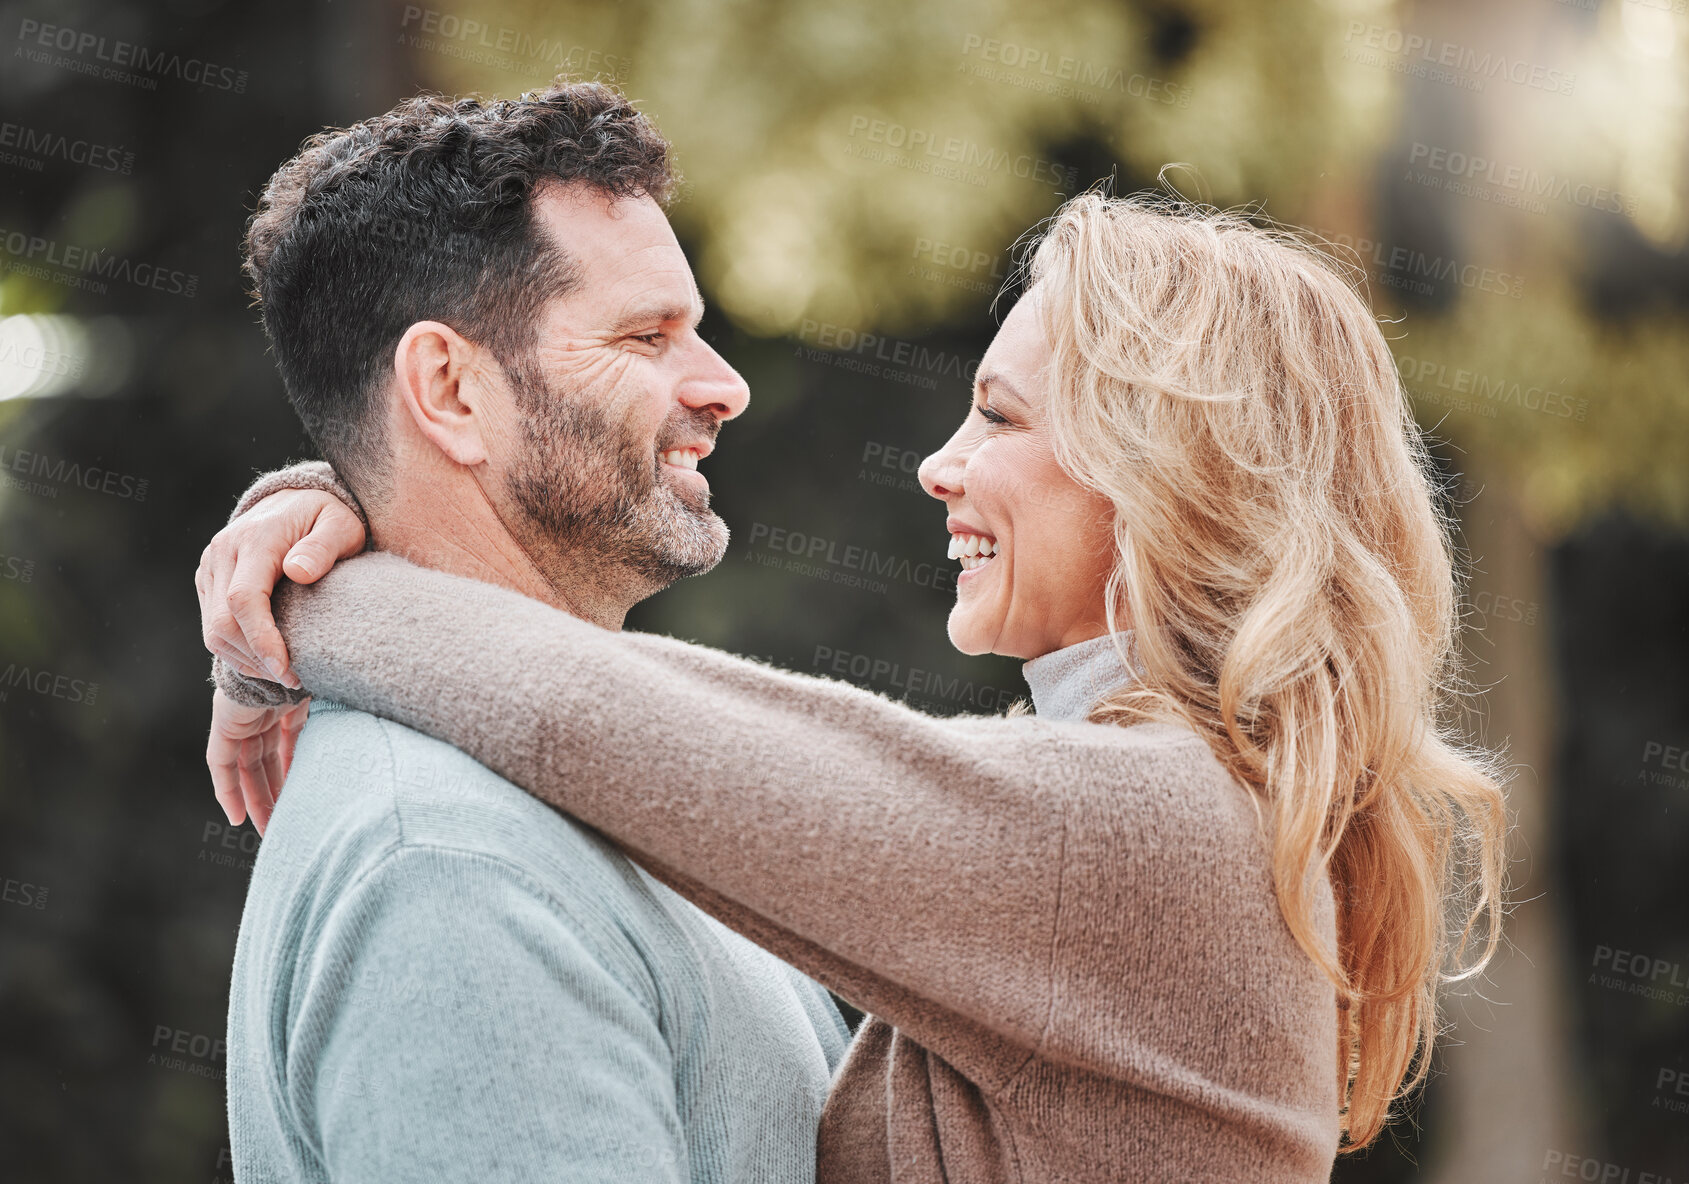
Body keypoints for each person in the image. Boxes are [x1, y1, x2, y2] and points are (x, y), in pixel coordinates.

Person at [202, 190, 1510, 1182]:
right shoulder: (1151, 812)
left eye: (999, 418)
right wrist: (352, 508)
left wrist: (310, 590)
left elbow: (589, 719)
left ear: (1162, 475)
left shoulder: (1140, 834)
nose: (939, 465)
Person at [204, 82, 856, 1184]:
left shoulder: (592, 785)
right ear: (450, 389)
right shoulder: (453, 871)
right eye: (646, 336)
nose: (724, 386)